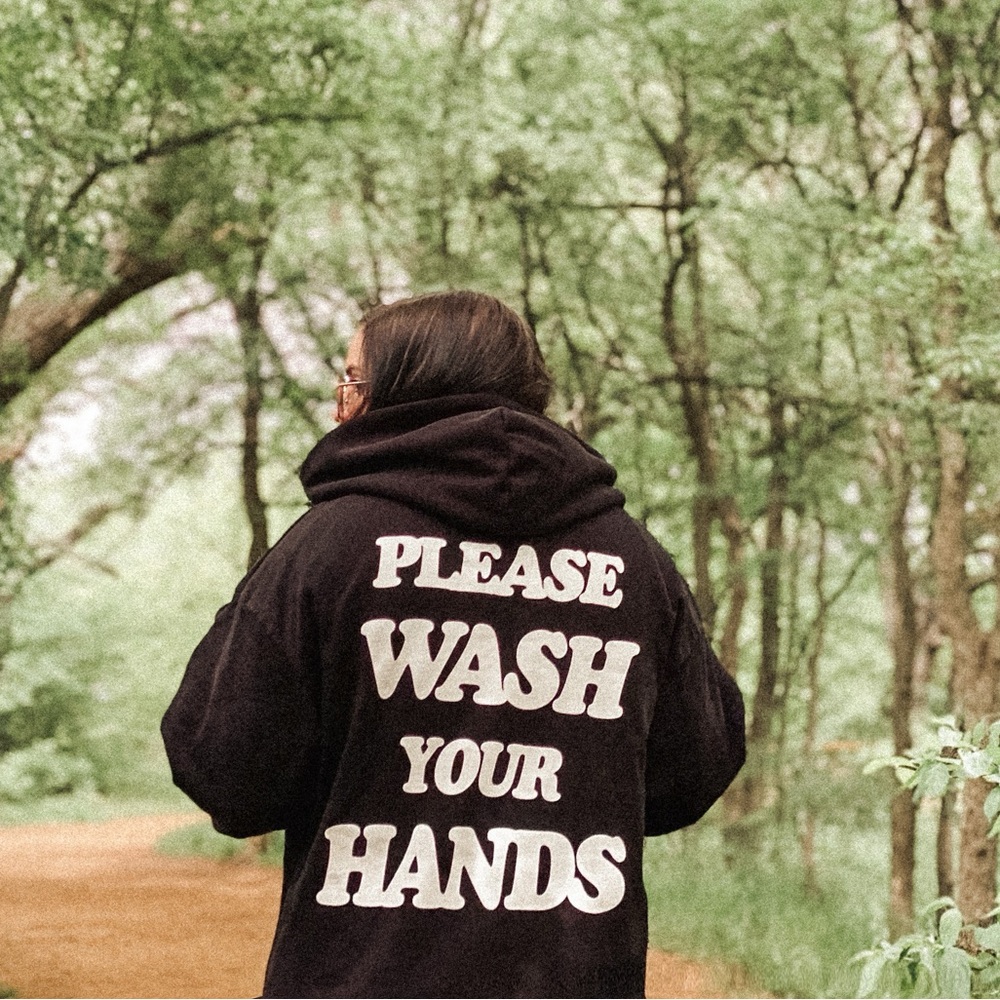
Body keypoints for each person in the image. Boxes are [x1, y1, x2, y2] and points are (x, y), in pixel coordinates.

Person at [161, 289, 745, 999]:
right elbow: (693, 769)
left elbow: (225, 769)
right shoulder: (632, 563)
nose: (338, 408)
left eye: (351, 383)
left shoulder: (329, 548)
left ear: (406, 389)